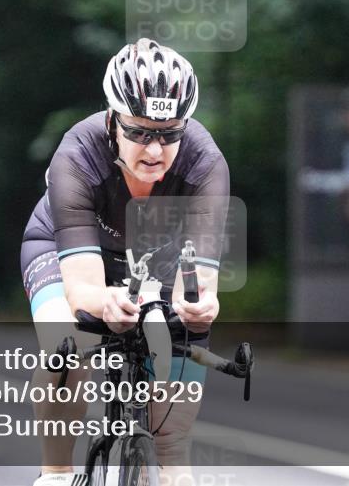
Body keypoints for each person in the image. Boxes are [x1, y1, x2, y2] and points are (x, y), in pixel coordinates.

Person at [21, 38, 230, 485]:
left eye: (170, 133)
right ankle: (56, 473)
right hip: (64, 251)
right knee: (67, 342)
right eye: (139, 132)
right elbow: (82, 290)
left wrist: (199, 306)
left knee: (174, 431)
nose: (154, 150)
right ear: (113, 120)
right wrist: (105, 305)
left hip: (157, 258)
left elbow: (200, 285)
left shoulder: (205, 163)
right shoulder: (77, 155)